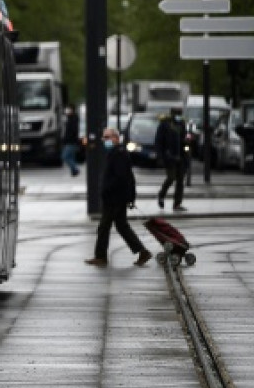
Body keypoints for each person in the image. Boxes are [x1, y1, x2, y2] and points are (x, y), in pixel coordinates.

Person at [86, 127, 152, 268]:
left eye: (108, 137)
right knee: (121, 226)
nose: (105, 140)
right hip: (117, 197)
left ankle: (101, 256)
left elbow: (122, 178)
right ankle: (142, 251)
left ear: (116, 138)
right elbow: (129, 177)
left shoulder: (119, 154)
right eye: (104, 137)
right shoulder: (116, 153)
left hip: (115, 198)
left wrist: (108, 190)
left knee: (104, 226)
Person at [156, 108, 188, 211]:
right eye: (177, 114)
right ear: (172, 114)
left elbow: (184, 139)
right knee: (171, 177)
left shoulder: (182, 124)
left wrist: (186, 142)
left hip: (181, 156)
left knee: (180, 181)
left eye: (180, 113)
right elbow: (159, 141)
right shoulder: (165, 124)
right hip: (169, 157)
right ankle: (161, 195)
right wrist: (160, 156)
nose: (178, 116)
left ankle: (177, 204)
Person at [61, 104, 81, 177]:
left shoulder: (73, 119)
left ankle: (75, 169)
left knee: (65, 156)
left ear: (72, 110)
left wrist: (67, 138)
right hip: (70, 141)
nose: (67, 110)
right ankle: (73, 172)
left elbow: (72, 131)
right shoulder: (70, 118)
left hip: (71, 141)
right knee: (71, 157)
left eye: (68, 109)